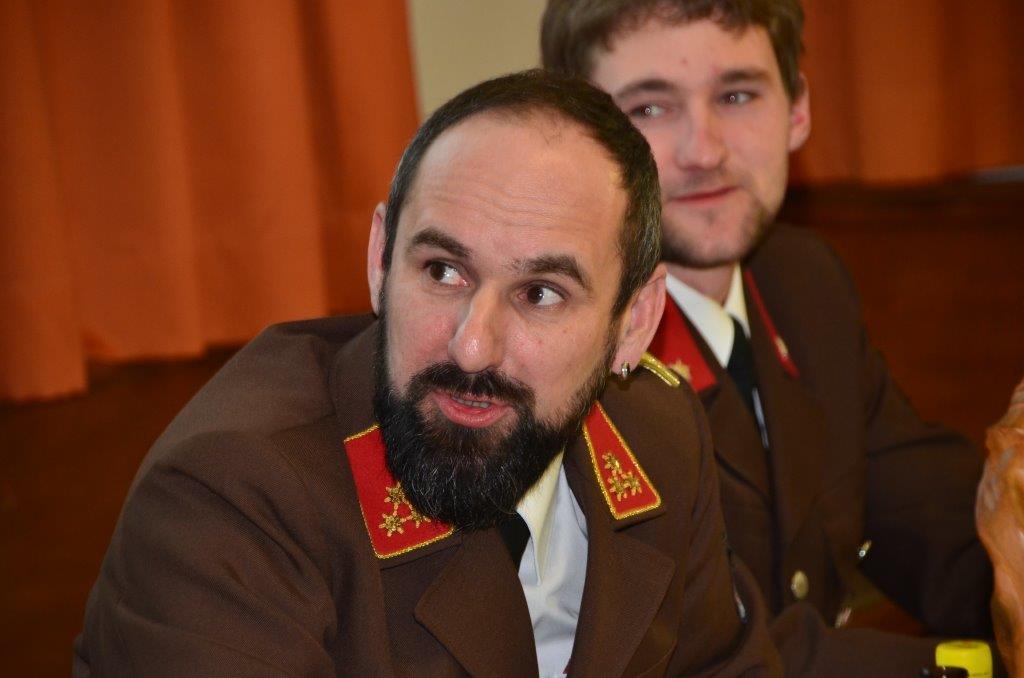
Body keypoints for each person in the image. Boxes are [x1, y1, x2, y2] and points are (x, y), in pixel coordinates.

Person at [73, 70, 780, 676]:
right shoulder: (230, 501)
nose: (471, 348)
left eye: (540, 294)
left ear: (635, 321)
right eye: (442, 271)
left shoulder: (659, 434)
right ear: (380, 259)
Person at [541, 0, 992, 673]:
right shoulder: (563, 350)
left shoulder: (802, 280)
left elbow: (934, 518)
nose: (704, 151)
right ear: (576, 135)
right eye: (650, 108)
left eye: (737, 95)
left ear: (798, 109)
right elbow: (714, 651)